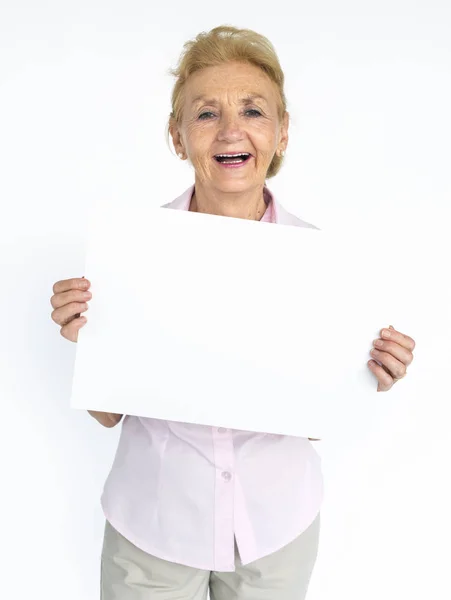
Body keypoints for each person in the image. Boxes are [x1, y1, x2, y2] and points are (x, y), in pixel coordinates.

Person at [49, 25, 416, 600]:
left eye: (252, 110)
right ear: (177, 137)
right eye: (205, 114)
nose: (231, 131)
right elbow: (107, 414)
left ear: (281, 132)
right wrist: (87, 341)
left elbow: (316, 421)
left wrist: (368, 375)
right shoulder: (131, 253)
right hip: (153, 527)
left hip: (276, 531)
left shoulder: (325, 264)